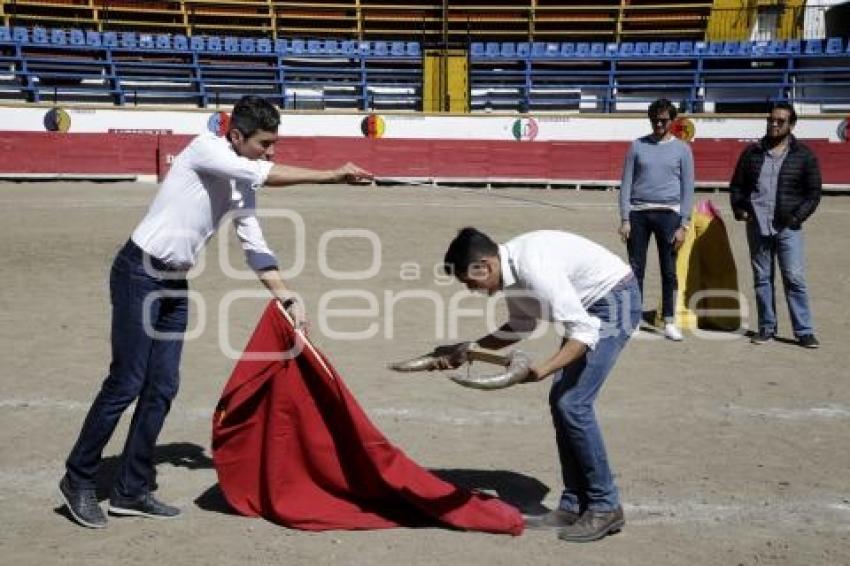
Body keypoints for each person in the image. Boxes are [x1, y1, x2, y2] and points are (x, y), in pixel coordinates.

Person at [59, 95, 372, 529]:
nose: (271, 151)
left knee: (163, 386)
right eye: (265, 143)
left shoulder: (243, 180)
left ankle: (130, 489)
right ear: (238, 136)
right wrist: (334, 174)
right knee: (126, 381)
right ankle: (78, 481)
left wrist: (286, 295)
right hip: (138, 272)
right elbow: (261, 171)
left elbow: (254, 242)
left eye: (274, 143)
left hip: (173, 282)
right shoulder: (206, 148)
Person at [438, 227, 641, 543]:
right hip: (589, 308)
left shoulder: (533, 270)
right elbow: (521, 326)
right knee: (561, 400)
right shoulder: (511, 272)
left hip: (612, 302)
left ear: (485, 266)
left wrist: (542, 370)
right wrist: (469, 351)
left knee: (573, 403)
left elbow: (584, 334)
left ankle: (605, 505)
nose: (470, 289)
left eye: (469, 281)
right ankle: (573, 505)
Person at [729, 102, 821, 348]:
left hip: (787, 226)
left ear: (791, 125)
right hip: (757, 224)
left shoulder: (803, 155)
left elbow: (813, 193)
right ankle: (767, 327)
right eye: (771, 119)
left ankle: (804, 330)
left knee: (794, 278)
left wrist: (795, 218)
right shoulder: (752, 152)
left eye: (780, 121)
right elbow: (737, 186)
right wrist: (740, 209)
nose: (774, 124)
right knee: (762, 278)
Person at [618, 98, 695, 341]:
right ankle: (635, 319)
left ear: (672, 121)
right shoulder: (637, 146)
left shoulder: (683, 149)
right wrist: (624, 217)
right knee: (636, 269)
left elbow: (688, 188)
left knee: (669, 270)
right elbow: (626, 183)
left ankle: (669, 320)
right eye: (655, 119)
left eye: (664, 120)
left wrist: (683, 223)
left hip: (669, 215)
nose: (659, 124)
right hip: (638, 214)